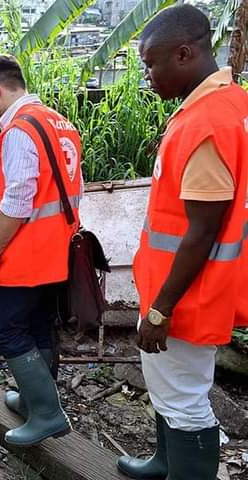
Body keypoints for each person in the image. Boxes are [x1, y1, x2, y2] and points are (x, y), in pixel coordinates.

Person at [119, 6, 248, 479]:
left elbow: (202, 229)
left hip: (186, 295)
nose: (147, 75)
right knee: (169, 388)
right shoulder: (231, 102)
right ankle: (164, 463)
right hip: (184, 285)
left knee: (185, 400)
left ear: (184, 54)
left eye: (150, 64)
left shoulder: (204, 124)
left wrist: (160, 310)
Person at [0, 54, 83, 446]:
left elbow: (17, 203)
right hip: (56, 251)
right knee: (37, 323)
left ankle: (48, 413)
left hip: (25, 254)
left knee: (2, 326)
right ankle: (36, 400)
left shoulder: (19, 130)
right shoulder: (60, 123)